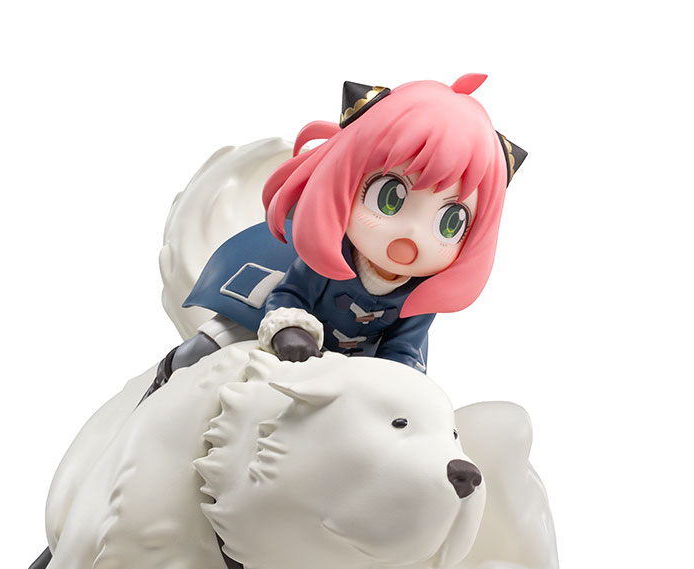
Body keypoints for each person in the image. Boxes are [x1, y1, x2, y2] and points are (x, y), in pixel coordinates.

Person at [143, 74, 525, 397]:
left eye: (450, 222)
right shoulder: (331, 255)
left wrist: (395, 385)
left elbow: (404, 347)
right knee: (210, 346)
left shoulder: (422, 295)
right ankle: (163, 382)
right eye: (389, 198)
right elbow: (289, 295)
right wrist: (291, 328)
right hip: (278, 323)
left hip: (352, 363)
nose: (412, 235)